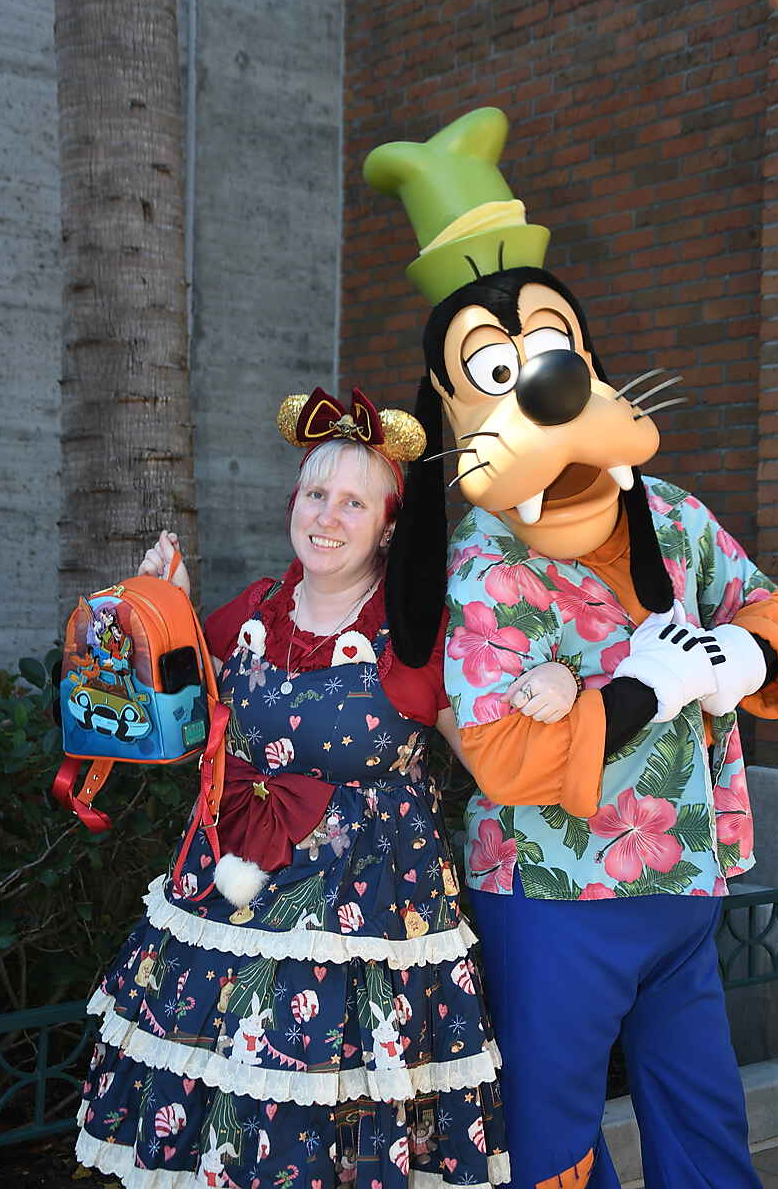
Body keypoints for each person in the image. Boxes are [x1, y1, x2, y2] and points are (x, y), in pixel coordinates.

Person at [364, 108, 778, 1189]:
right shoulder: (482, 568)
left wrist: (740, 660)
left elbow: (765, 606)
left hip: (686, 885)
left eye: (554, 347)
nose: (548, 385)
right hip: (556, 899)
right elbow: (505, 752)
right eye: (501, 367)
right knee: (552, 1128)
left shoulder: (673, 514)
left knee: (701, 1107)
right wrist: (646, 691)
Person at [75, 386, 525, 1189]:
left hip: (365, 926)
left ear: (390, 523)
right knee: (222, 1120)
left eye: (356, 501)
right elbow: (158, 728)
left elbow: (501, 763)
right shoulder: (248, 613)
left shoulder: (416, 639)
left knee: (326, 1128)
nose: (327, 515)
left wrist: (552, 685)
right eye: (317, 493)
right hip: (222, 911)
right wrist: (156, 617)